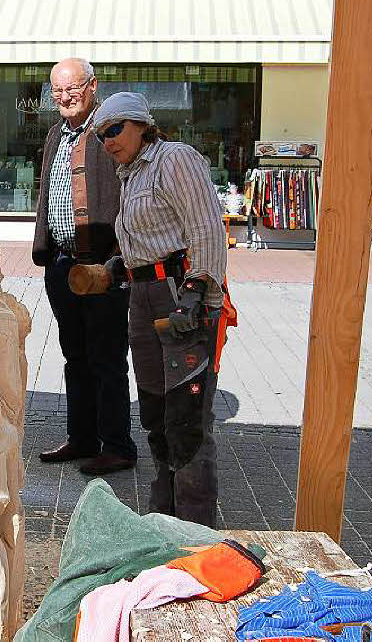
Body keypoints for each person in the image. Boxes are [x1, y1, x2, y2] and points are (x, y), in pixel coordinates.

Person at [93, 91, 228, 526]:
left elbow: (206, 226)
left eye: (114, 130)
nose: (107, 141)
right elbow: (151, 241)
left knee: (186, 419)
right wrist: (119, 266)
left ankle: (195, 530)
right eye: (100, 136)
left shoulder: (174, 158)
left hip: (178, 295)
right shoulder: (129, 173)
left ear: (139, 124)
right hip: (143, 295)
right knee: (156, 413)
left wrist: (197, 290)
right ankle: (165, 518)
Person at [33, 58, 137, 476]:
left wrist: (119, 258)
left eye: (72, 88)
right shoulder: (56, 133)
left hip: (104, 264)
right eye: (57, 91)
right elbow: (46, 193)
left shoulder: (108, 131)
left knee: (107, 358)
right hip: (61, 263)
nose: (65, 97)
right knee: (74, 356)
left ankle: (117, 445)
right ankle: (82, 438)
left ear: (92, 86)